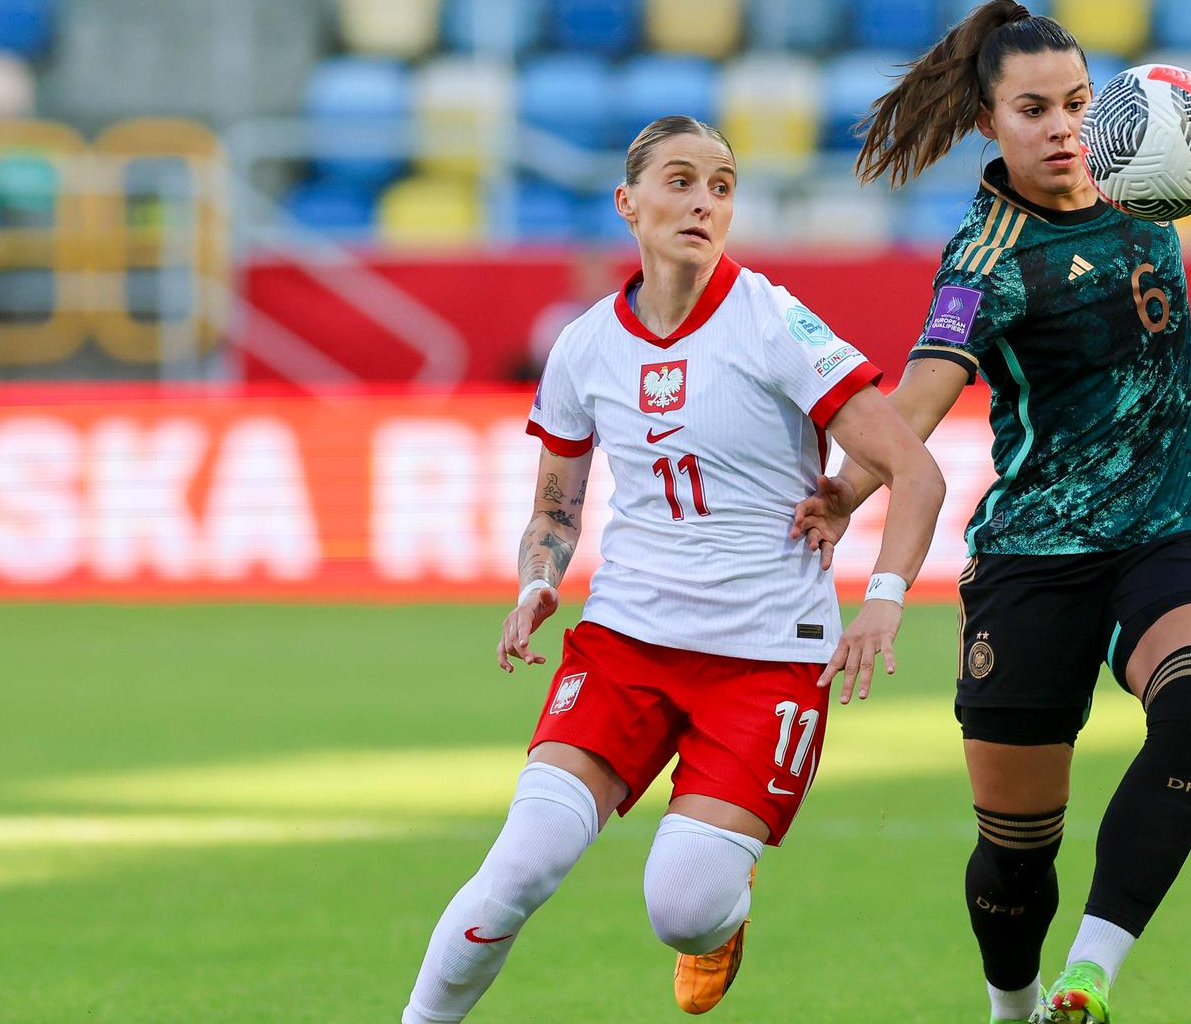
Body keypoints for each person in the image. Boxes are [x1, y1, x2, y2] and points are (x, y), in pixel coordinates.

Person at [401, 115, 946, 1023]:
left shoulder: (770, 320)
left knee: (683, 909)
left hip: (768, 655)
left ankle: (719, 928)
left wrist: (883, 602)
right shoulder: (582, 347)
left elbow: (915, 470)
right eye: (682, 181)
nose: (703, 202)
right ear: (629, 203)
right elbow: (555, 508)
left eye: (722, 186)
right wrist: (539, 581)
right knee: (520, 865)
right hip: (624, 643)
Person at [791, 1, 1191, 1024]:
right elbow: (921, 392)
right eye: (1034, 108)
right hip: (1036, 556)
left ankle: (1088, 979)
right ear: (989, 123)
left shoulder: (1146, 181)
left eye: (1078, 104)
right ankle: (1016, 1005)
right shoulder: (987, 255)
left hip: (1174, 524)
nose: (1062, 127)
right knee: (1014, 856)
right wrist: (846, 488)